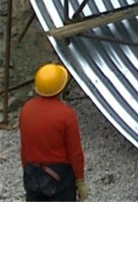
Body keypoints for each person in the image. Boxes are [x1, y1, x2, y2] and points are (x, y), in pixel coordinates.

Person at [19, 63, 87, 202]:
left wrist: (26, 170)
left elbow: (24, 147)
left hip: (32, 173)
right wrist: (80, 181)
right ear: (61, 88)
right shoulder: (66, 114)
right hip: (60, 177)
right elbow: (75, 152)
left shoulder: (26, 109)